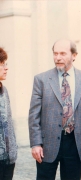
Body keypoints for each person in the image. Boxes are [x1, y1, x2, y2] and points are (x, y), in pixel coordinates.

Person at [28, 39, 81, 180]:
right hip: (47, 144)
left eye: (62, 53)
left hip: (74, 142)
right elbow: (33, 115)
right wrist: (36, 144)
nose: (58, 57)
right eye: (55, 54)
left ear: (74, 55)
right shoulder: (41, 80)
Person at [0, 47, 17, 180]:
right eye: (2, 64)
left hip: (7, 159)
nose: (6, 68)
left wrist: (12, 152)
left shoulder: (4, 90)